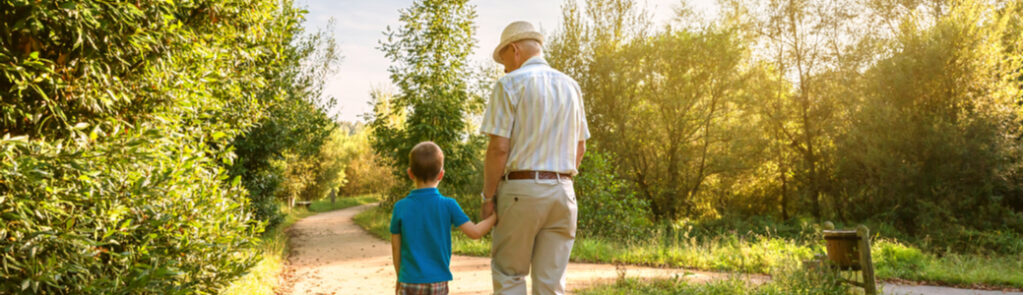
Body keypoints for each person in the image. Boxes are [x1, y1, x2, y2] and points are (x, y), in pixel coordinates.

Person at [479, 21, 590, 295]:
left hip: (521, 192)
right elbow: (580, 149)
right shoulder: (571, 86)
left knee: (509, 275)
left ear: (515, 50)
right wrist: (558, 178)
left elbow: (498, 149)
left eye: (503, 58)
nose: (504, 67)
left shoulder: (509, 84)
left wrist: (487, 198)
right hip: (564, 194)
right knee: (551, 284)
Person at [390, 141, 498, 295]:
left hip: (409, 280)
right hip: (438, 281)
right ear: (441, 174)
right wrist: (496, 216)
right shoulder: (448, 205)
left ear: (410, 173)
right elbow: (475, 232)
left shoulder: (400, 207)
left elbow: (396, 248)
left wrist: (399, 277)